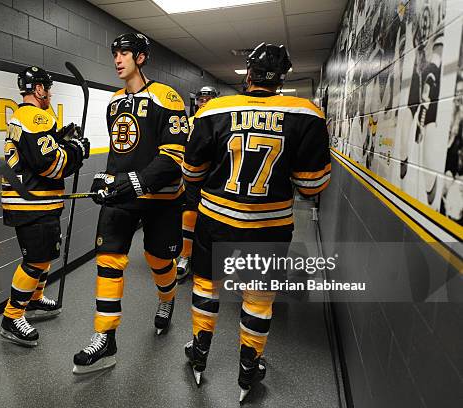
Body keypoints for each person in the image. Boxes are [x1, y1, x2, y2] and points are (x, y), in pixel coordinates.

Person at [182, 43, 331, 402]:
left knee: (207, 282)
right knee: (259, 297)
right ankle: (249, 363)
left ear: (248, 74)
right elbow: (313, 185)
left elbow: (191, 172)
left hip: (216, 219)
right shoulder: (307, 113)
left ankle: (200, 348)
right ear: (283, 78)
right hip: (271, 224)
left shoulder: (215, 109)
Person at [72, 33, 188, 374]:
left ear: (140, 57)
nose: (117, 60)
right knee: (108, 259)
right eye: (115, 54)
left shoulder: (167, 97)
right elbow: (120, 153)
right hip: (123, 196)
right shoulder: (114, 102)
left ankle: (167, 300)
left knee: (157, 258)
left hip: (162, 198)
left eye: (124, 53)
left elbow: (173, 158)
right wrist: (106, 180)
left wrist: (133, 182)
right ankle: (105, 338)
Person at [0, 66, 90, 347]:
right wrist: (77, 150)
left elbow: (36, 152)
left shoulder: (24, 117)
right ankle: (12, 317)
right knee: (36, 260)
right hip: (32, 202)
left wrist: (61, 138)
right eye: (48, 89)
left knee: (44, 256)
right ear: (38, 89)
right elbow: (50, 165)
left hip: (35, 201)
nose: (49, 94)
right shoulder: (35, 116)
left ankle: (35, 299)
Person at [176, 85, 219, 282]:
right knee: (190, 212)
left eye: (209, 99)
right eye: (201, 99)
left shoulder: (222, 119)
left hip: (216, 175)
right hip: (193, 175)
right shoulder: (190, 122)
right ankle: (185, 255)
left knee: (214, 218)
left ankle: (210, 258)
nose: (204, 102)